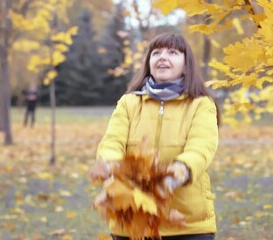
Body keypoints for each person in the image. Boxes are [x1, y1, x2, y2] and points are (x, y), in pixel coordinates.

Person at [90, 33, 221, 240]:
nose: (163, 57)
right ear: (149, 62)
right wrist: (111, 167)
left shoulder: (201, 104)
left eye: (173, 52)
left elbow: (201, 147)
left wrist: (178, 172)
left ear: (186, 65)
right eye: (156, 52)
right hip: (133, 221)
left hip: (188, 225)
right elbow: (112, 142)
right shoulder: (129, 103)